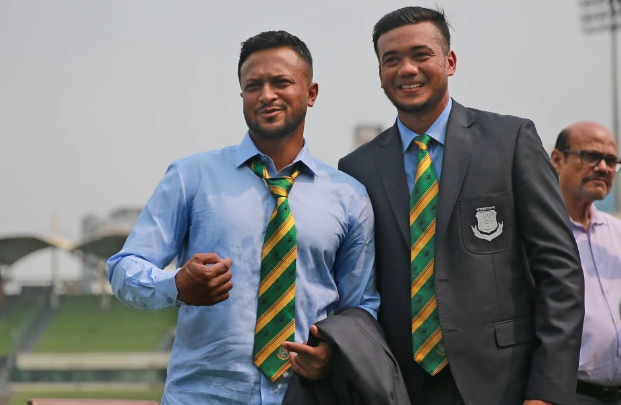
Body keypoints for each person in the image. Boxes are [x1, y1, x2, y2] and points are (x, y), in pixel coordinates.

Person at [108, 30, 379, 405]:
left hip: (305, 396)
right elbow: (123, 270)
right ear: (242, 96)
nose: (266, 95)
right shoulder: (191, 177)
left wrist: (335, 351)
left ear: (311, 93)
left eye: (281, 82)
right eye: (254, 85)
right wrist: (176, 286)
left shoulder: (349, 196)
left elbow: (361, 305)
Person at [338, 6, 584, 405]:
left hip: (505, 384)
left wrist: (548, 392)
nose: (407, 69)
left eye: (421, 54)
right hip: (399, 386)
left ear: (449, 61)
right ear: (380, 72)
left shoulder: (511, 141)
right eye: (391, 59)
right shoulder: (357, 168)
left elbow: (561, 273)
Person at [551, 122, 621, 405]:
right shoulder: (537, 234)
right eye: (591, 156)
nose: (603, 167)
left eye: (611, 161)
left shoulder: (616, 234)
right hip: (567, 395)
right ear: (558, 159)